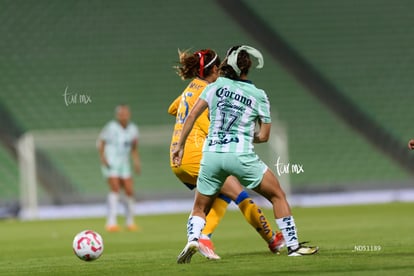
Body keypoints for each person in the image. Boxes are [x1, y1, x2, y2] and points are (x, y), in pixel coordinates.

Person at [173, 45, 319, 263]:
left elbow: (192, 115)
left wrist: (180, 146)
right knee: (277, 195)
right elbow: (265, 136)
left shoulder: (215, 86)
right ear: (247, 69)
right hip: (240, 155)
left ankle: (193, 238)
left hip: (211, 155)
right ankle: (293, 246)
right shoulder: (258, 95)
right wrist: (246, 136)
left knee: (200, 206)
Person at [98, 104, 141, 232]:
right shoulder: (111, 127)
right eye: (121, 114)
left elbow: (134, 148)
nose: (123, 116)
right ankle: (111, 222)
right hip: (111, 162)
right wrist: (103, 158)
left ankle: (130, 222)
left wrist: (136, 162)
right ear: (117, 115)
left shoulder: (133, 129)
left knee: (129, 190)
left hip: (125, 164)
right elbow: (101, 142)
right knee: (115, 188)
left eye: (125, 113)